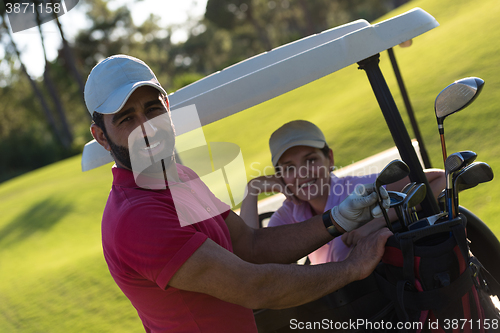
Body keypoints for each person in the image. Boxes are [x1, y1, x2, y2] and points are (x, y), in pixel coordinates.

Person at [85, 54, 393, 333]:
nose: (147, 127)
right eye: (127, 118)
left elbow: (250, 245)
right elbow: (254, 286)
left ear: (167, 108)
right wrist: (352, 268)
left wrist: (336, 219)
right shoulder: (138, 216)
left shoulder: (181, 177)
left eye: (152, 109)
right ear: (101, 136)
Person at [240, 120, 445, 264]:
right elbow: (251, 255)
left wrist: (377, 221)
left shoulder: (356, 189)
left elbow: (441, 179)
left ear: (329, 158)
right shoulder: (288, 214)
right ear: (280, 176)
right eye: (289, 168)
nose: (302, 173)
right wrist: (252, 190)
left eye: (311, 160)